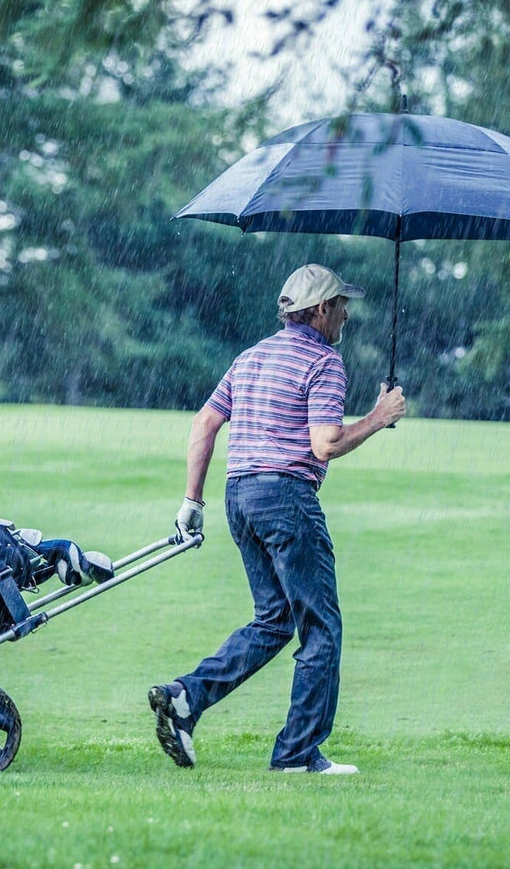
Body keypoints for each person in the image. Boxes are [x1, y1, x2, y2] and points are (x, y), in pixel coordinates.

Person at [149, 263, 406, 775]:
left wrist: (192, 502)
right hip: (286, 498)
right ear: (320, 309)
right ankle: (297, 755)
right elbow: (325, 444)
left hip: (239, 498)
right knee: (321, 627)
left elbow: (205, 423)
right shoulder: (325, 361)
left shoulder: (250, 357)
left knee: (274, 620)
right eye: (340, 305)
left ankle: (186, 697)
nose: (346, 315)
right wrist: (379, 418)